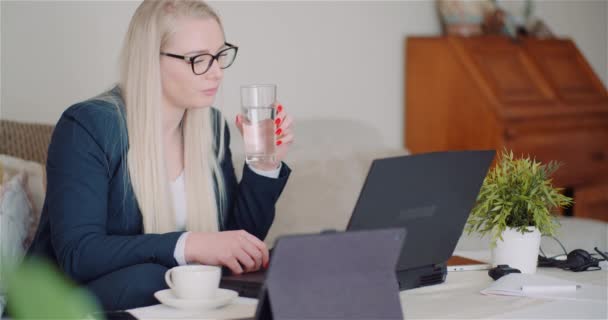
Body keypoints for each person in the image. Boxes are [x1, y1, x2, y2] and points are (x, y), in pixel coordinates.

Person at [27, 0, 293, 310]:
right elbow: (79, 254)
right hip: (58, 305)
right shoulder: (87, 126)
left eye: (220, 55)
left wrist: (264, 163)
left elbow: (235, 247)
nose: (217, 73)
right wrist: (189, 244)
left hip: (159, 306)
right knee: (155, 279)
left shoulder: (211, 126)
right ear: (149, 61)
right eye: (198, 59)